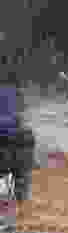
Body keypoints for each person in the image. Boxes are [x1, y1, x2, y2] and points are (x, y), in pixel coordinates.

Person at [0, 71, 34, 201]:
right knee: (23, 173)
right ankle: (21, 196)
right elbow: (23, 118)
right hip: (20, 144)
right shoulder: (19, 94)